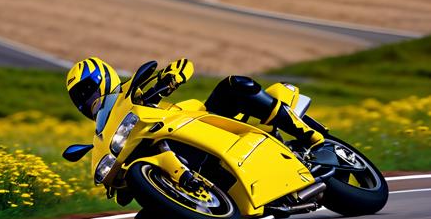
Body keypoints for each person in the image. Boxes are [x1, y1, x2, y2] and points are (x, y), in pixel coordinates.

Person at [66, 57, 324, 150]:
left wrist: (171, 78)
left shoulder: (132, 92)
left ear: (102, 78)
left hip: (202, 120)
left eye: (86, 91)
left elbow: (184, 65)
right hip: (179, 146)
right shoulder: (104, 131)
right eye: (79, 98)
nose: (86, 100)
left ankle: (312, 138)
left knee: (233, 86)